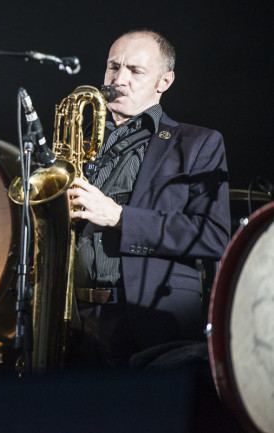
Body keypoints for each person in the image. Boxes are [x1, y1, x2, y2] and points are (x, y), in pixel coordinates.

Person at [66, 30, 231, 369]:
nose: (119, 79)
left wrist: (121, 217)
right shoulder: (76, 143)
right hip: (73, 319)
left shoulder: (198, 143)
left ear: (164, 81)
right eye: (113, 67)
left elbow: (214, 235)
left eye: (135, 71)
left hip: (150, 320)